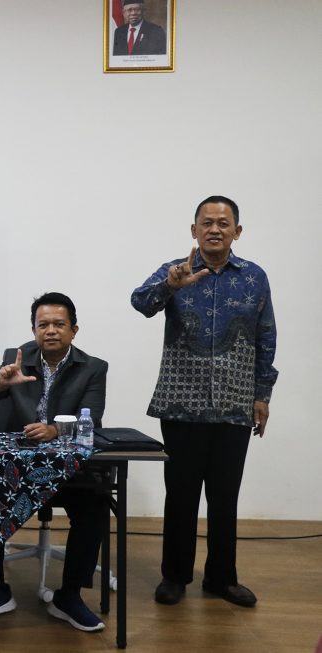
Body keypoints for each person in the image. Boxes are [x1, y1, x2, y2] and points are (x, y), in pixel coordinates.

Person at [132, 196, 278, 609]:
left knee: (225, 497)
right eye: (207, 222)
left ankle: (221, 578)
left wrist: (262, 394)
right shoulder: (175, 270)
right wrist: (170, 286)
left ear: (237, 231)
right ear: (194, 230)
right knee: (180, 495)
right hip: (182, 402)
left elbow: (266, 335)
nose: (215, 229)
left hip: (235, 403)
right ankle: (174, 576)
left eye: (223, 223)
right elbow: (140, 303)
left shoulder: (254, 277)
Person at [0, 292, 108, 632]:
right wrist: (0, 383)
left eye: (59, 324)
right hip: (15, 465)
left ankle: (70, 596)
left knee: (95, 505)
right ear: (33, 329)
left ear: (74, 330)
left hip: (66, 468)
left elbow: (93, 420)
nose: (50, 331)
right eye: (43, 324)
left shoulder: (93, 367)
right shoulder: (17, 358)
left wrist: (54, 430)